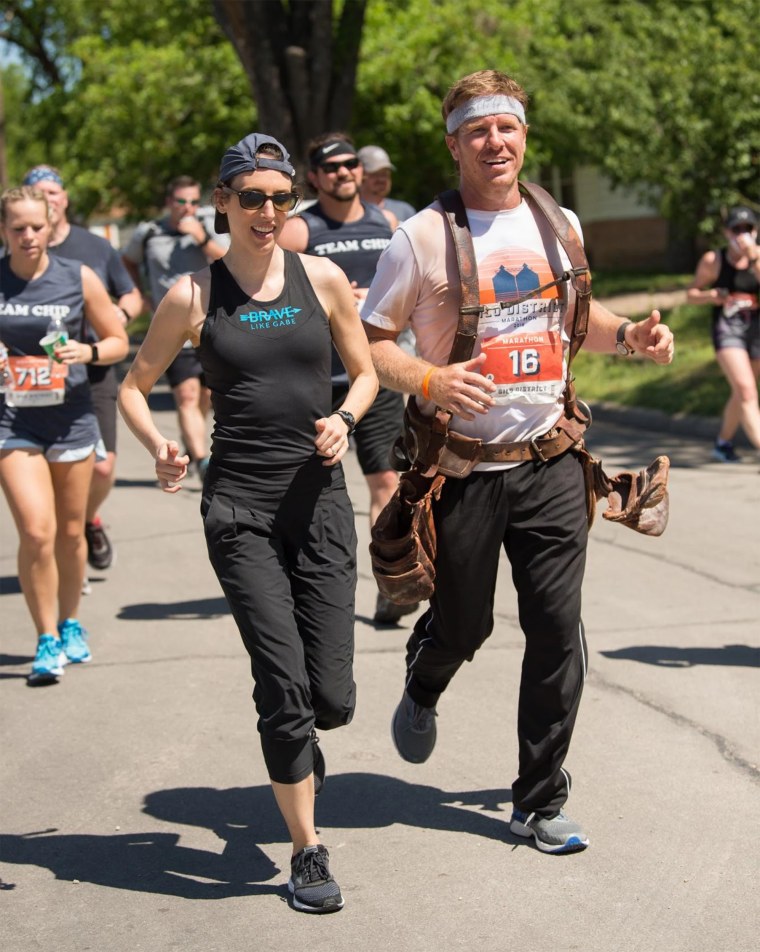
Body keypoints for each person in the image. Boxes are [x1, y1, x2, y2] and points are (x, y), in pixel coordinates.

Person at [362, 70, 674, 854]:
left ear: (524, 135)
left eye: (507, 128)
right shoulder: (421, 238)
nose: (495, 143)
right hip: (463, 469)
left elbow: (577, 317)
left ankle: (537, 799)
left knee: (557, 628)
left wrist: (630, 334)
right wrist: (430, 379)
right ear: (454, 142)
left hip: (552, 461)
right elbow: (369, 343)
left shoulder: (556, 221)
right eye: (478, 131)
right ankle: (425, 677)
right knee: (464, 624)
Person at [118, 133, 377, 913]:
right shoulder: (193, 296)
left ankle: (304, 743)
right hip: (239, 508)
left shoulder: (323, 278)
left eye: (280, 197)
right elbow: (136, 384)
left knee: (332, 696)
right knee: (284, 686)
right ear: (223, 201)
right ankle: (307, 849)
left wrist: (343, 418)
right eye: (253, 197)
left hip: (320, 501)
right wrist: (163, 444)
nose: (268, 211)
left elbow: (363, 374)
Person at [279, 132, 414, 625]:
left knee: (386, 480)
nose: (343, 172)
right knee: (310, 493)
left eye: (350, 164)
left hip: (370, 377)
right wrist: (331, 302)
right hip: (314, 383)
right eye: (330, 166)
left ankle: (389, 582)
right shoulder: (298, 231)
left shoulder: (389, 224)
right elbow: (269, 295)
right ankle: (308, 582)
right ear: (314, 177)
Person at [0, 186, 129, 684]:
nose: (29, 236)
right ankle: (46, 636)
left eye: (37, 226)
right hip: (14, 420)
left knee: (72, 533)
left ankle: (71, 622)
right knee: (37, 530)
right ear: (5, 230)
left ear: (51, 222)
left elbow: (118, 339)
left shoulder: (78, 276)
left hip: (71, 417)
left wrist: (88, 354)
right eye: (18, 228)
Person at [21, 165, 142, 575]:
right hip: (31, 382)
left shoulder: (94, 248)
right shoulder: (17, 251)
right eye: (38, 193)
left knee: (103, 466)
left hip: (91, 370)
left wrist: (117, 318)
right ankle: (62, 546)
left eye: (54, 192)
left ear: (64, 199)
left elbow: (130, 294)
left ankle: (85, 520)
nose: (48, 199)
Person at [121, 176, 227, 479]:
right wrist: (140, 292)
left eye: (194, 202)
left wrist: (202, 239)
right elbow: (128, 261)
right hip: (172, 326)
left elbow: (231, 261)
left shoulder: (207, 227)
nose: (188, 208)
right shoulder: (149, 232)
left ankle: (192, 443)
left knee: (206, 396)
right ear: (169, 202)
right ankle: (202, 460)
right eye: (181, 202)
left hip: (211, 323)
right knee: (187, 394)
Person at [687, 205, 760, 462]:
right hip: (727, 329)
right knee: (746, 389)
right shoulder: (713, 260)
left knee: (743, 392)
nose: (742, 234)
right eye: (736, 229)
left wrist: (753, 258)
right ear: (726, 232)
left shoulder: (758, 256)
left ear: (755, 231)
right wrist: (711, 295)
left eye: (747, 229)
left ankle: (723, 443)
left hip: (755, 329)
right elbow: (691, 293)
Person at [357, 145, 417, 222]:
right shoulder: (349, 212)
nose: (382, 179)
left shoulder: (405, 211)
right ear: (360, 174)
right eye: (375, 173)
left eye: (385, 174)